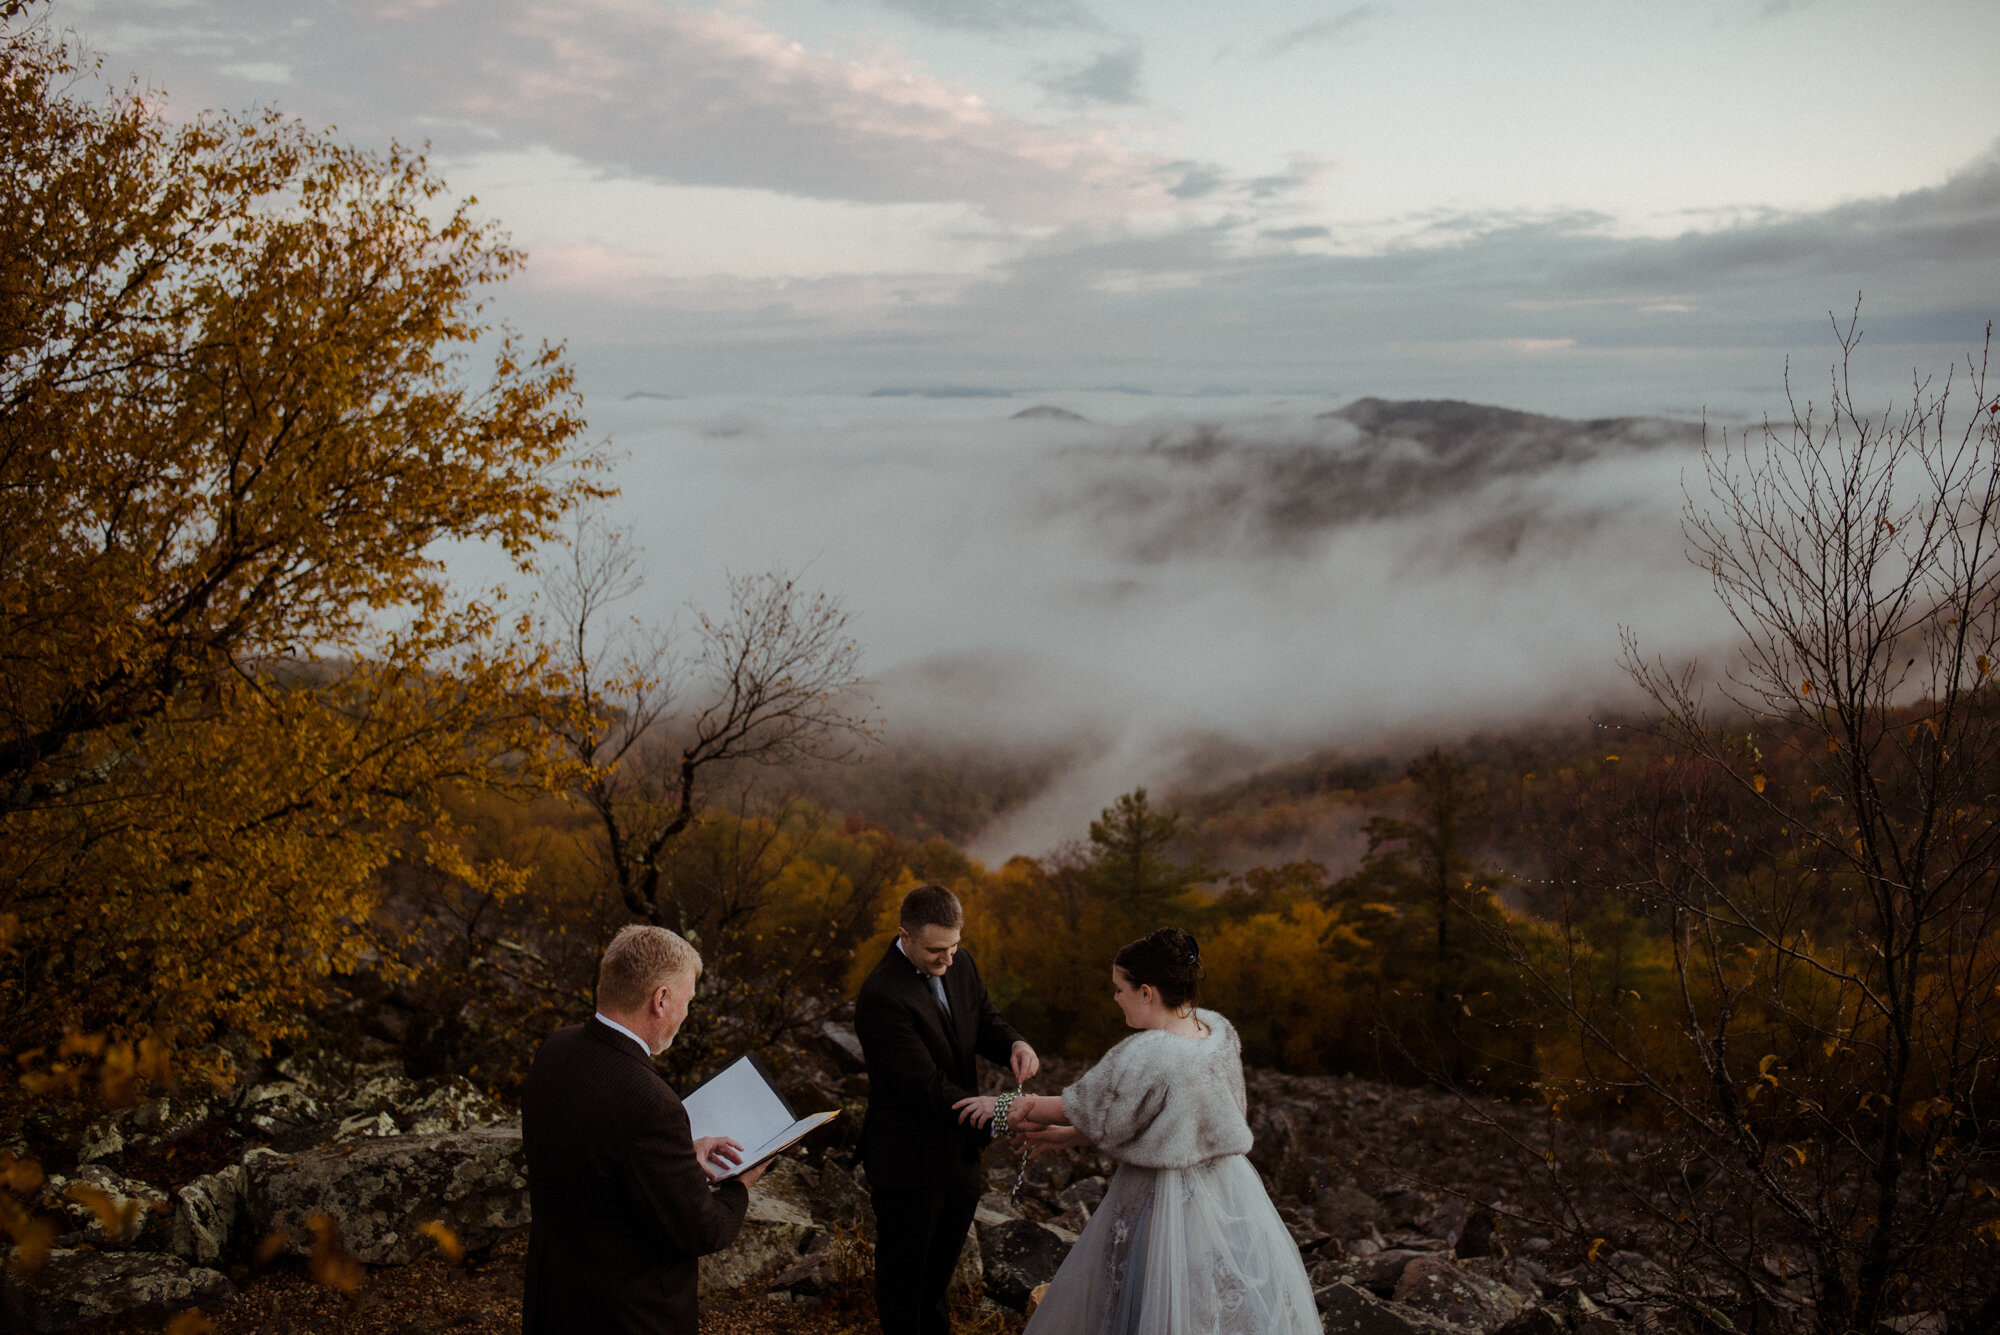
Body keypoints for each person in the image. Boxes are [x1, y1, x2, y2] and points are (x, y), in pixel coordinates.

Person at [954, 928, 1319, 1335]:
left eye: (1119, 989)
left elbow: (1083, 1107)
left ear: (1146, 992)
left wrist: (1001, 1106)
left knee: (1149, 1302)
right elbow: (1155, 1120)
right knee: (1205, 1306)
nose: (1115, 998)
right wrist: (1069, 1135)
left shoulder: (1148, 1054)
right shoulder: (1215, 1035)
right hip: (1225, 1188)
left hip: (1162, 1198)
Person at [521, 924, 769, 1335]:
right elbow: (701, 1229)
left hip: (555, 1300)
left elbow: (593, 1156)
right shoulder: (652, 1103)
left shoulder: (555, 1049)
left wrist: (675, 1155)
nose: (687, 1013)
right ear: (661, 999)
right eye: (687, 1000)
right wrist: (740, 1184)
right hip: (627, 1314)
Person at [855, 883, 1041, 1335]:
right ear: (905, 935)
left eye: (955, 946)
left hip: (959, 1157)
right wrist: (1002, 1113)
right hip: (908, 1164)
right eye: (937, 950)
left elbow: (985, 1021)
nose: (949, 959)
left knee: (936, 1281)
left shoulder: (961, 963)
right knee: (904, 1286)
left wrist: (1014, 1043)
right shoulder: (881, 996)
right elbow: (927, 1088)